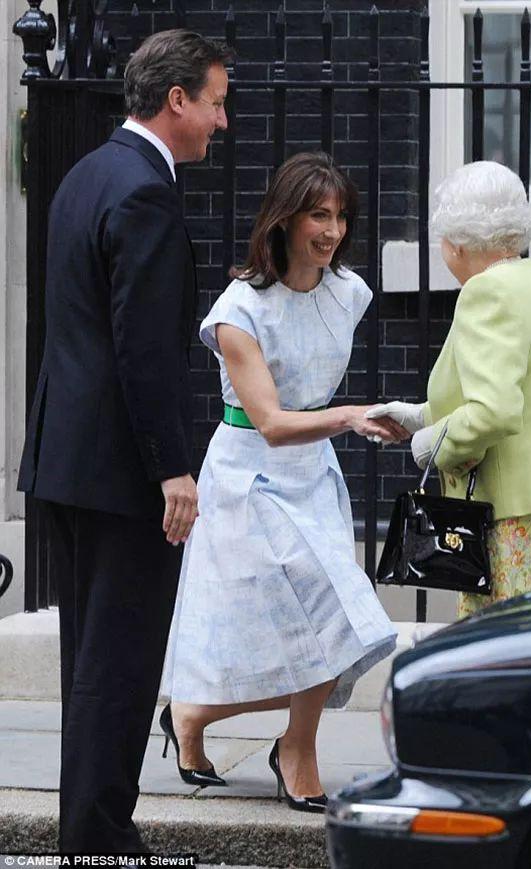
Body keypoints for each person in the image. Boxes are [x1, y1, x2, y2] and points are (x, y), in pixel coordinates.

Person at [17, 30, 232, 854]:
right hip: (121, 472)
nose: (221, 119)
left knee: (90, 663)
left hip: (68, 461)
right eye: (214, 100)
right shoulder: (144, 192)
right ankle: (102, 837)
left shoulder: (85, 174)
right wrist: (173, 468)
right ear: (175, 99)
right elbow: (141, 348)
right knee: (122, 661)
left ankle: (88, 832)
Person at [160, 151, 401, 812]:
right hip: (249, 476)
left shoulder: (348, 293)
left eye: (341, 216)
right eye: (318, 215)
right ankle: (193, 716)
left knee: (340, 618)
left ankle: (290, 743)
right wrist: (351, 415)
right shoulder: (239, 309)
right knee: (275, 627)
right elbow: (266, 420)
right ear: (285, 220)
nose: (333, 230)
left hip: (313, 472)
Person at [368, 161, 531, 618]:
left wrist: (425, 444)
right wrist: (419, 415)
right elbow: (529, 397)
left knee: (501, 657)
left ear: (457, 242)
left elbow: (495, 410)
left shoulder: (485, 293)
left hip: (522, 511)